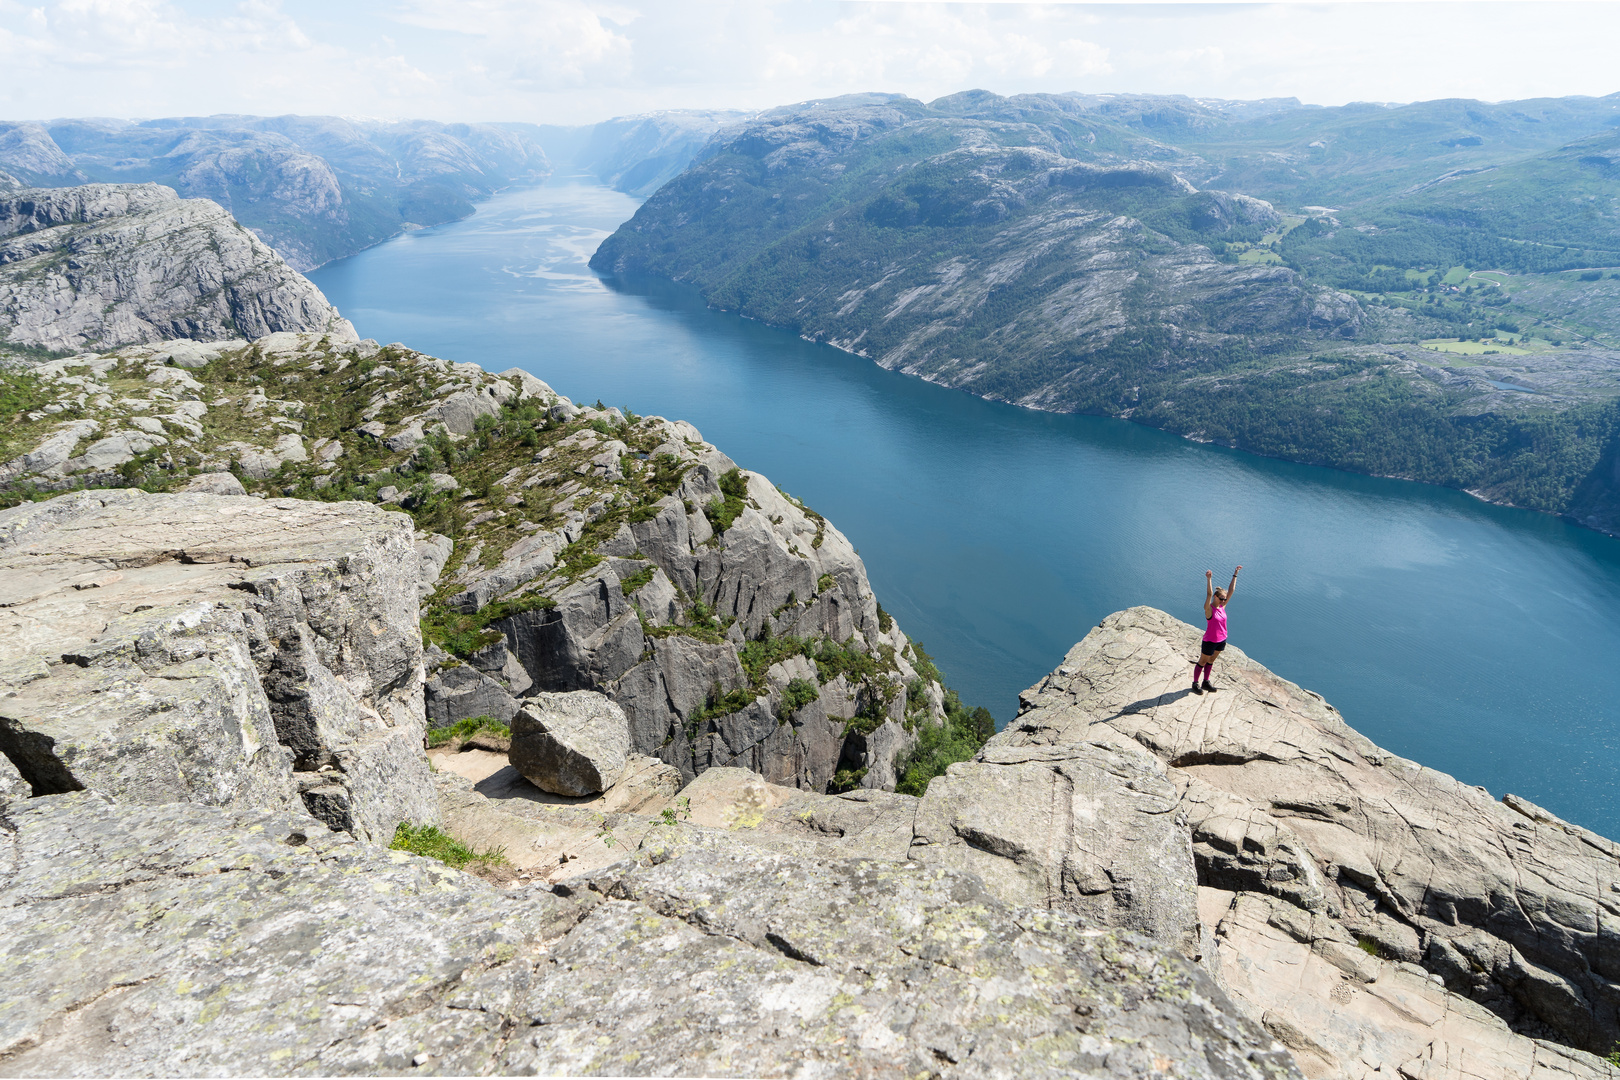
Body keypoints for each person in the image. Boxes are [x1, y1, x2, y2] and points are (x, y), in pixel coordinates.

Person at [1193, 565, 1241, 694]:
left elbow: (1232, 590)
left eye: (1224, 599)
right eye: (1221, 598)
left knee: (1211, 661)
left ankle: (1206, 681)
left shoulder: (1222, 607)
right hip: (1210, 641)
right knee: (1202, 661)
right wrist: (1209, 579)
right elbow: (1208, 593)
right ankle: (1195, 683)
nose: (1224, 600)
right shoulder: (1209, 609)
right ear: (1215, 597)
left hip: (1221, 640)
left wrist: (1235, 574)